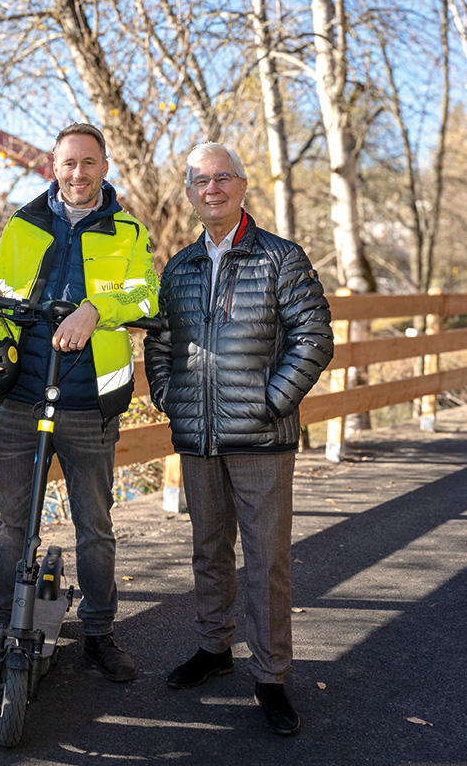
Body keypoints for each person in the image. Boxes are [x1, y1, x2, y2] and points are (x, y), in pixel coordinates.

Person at [143, 141, 333, 735]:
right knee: (208, 552)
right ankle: (214, 649)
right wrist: (170, 398)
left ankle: (272, 676)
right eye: (200, 181)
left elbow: (313, 337)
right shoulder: (179, 266)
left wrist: (270, 402)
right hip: (198, 438)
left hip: (262, 441)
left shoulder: (280, 258)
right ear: (191, 192)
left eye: (223, 178)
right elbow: (159, 343)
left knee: (267, 561)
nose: (212, 189)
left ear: (243, 186)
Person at [0, 123, 158, 683]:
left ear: (103, 166)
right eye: (68, 163)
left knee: (94, 525)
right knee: (13, 526)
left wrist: (96, 307)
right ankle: (1, 629)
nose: (78, 173)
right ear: (54, 166)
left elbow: (146, 292)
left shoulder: (126, 230)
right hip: (21, 397)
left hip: (89, 402)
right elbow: (4, 291)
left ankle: (99, 632)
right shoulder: (24, 225)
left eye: (88, 163)